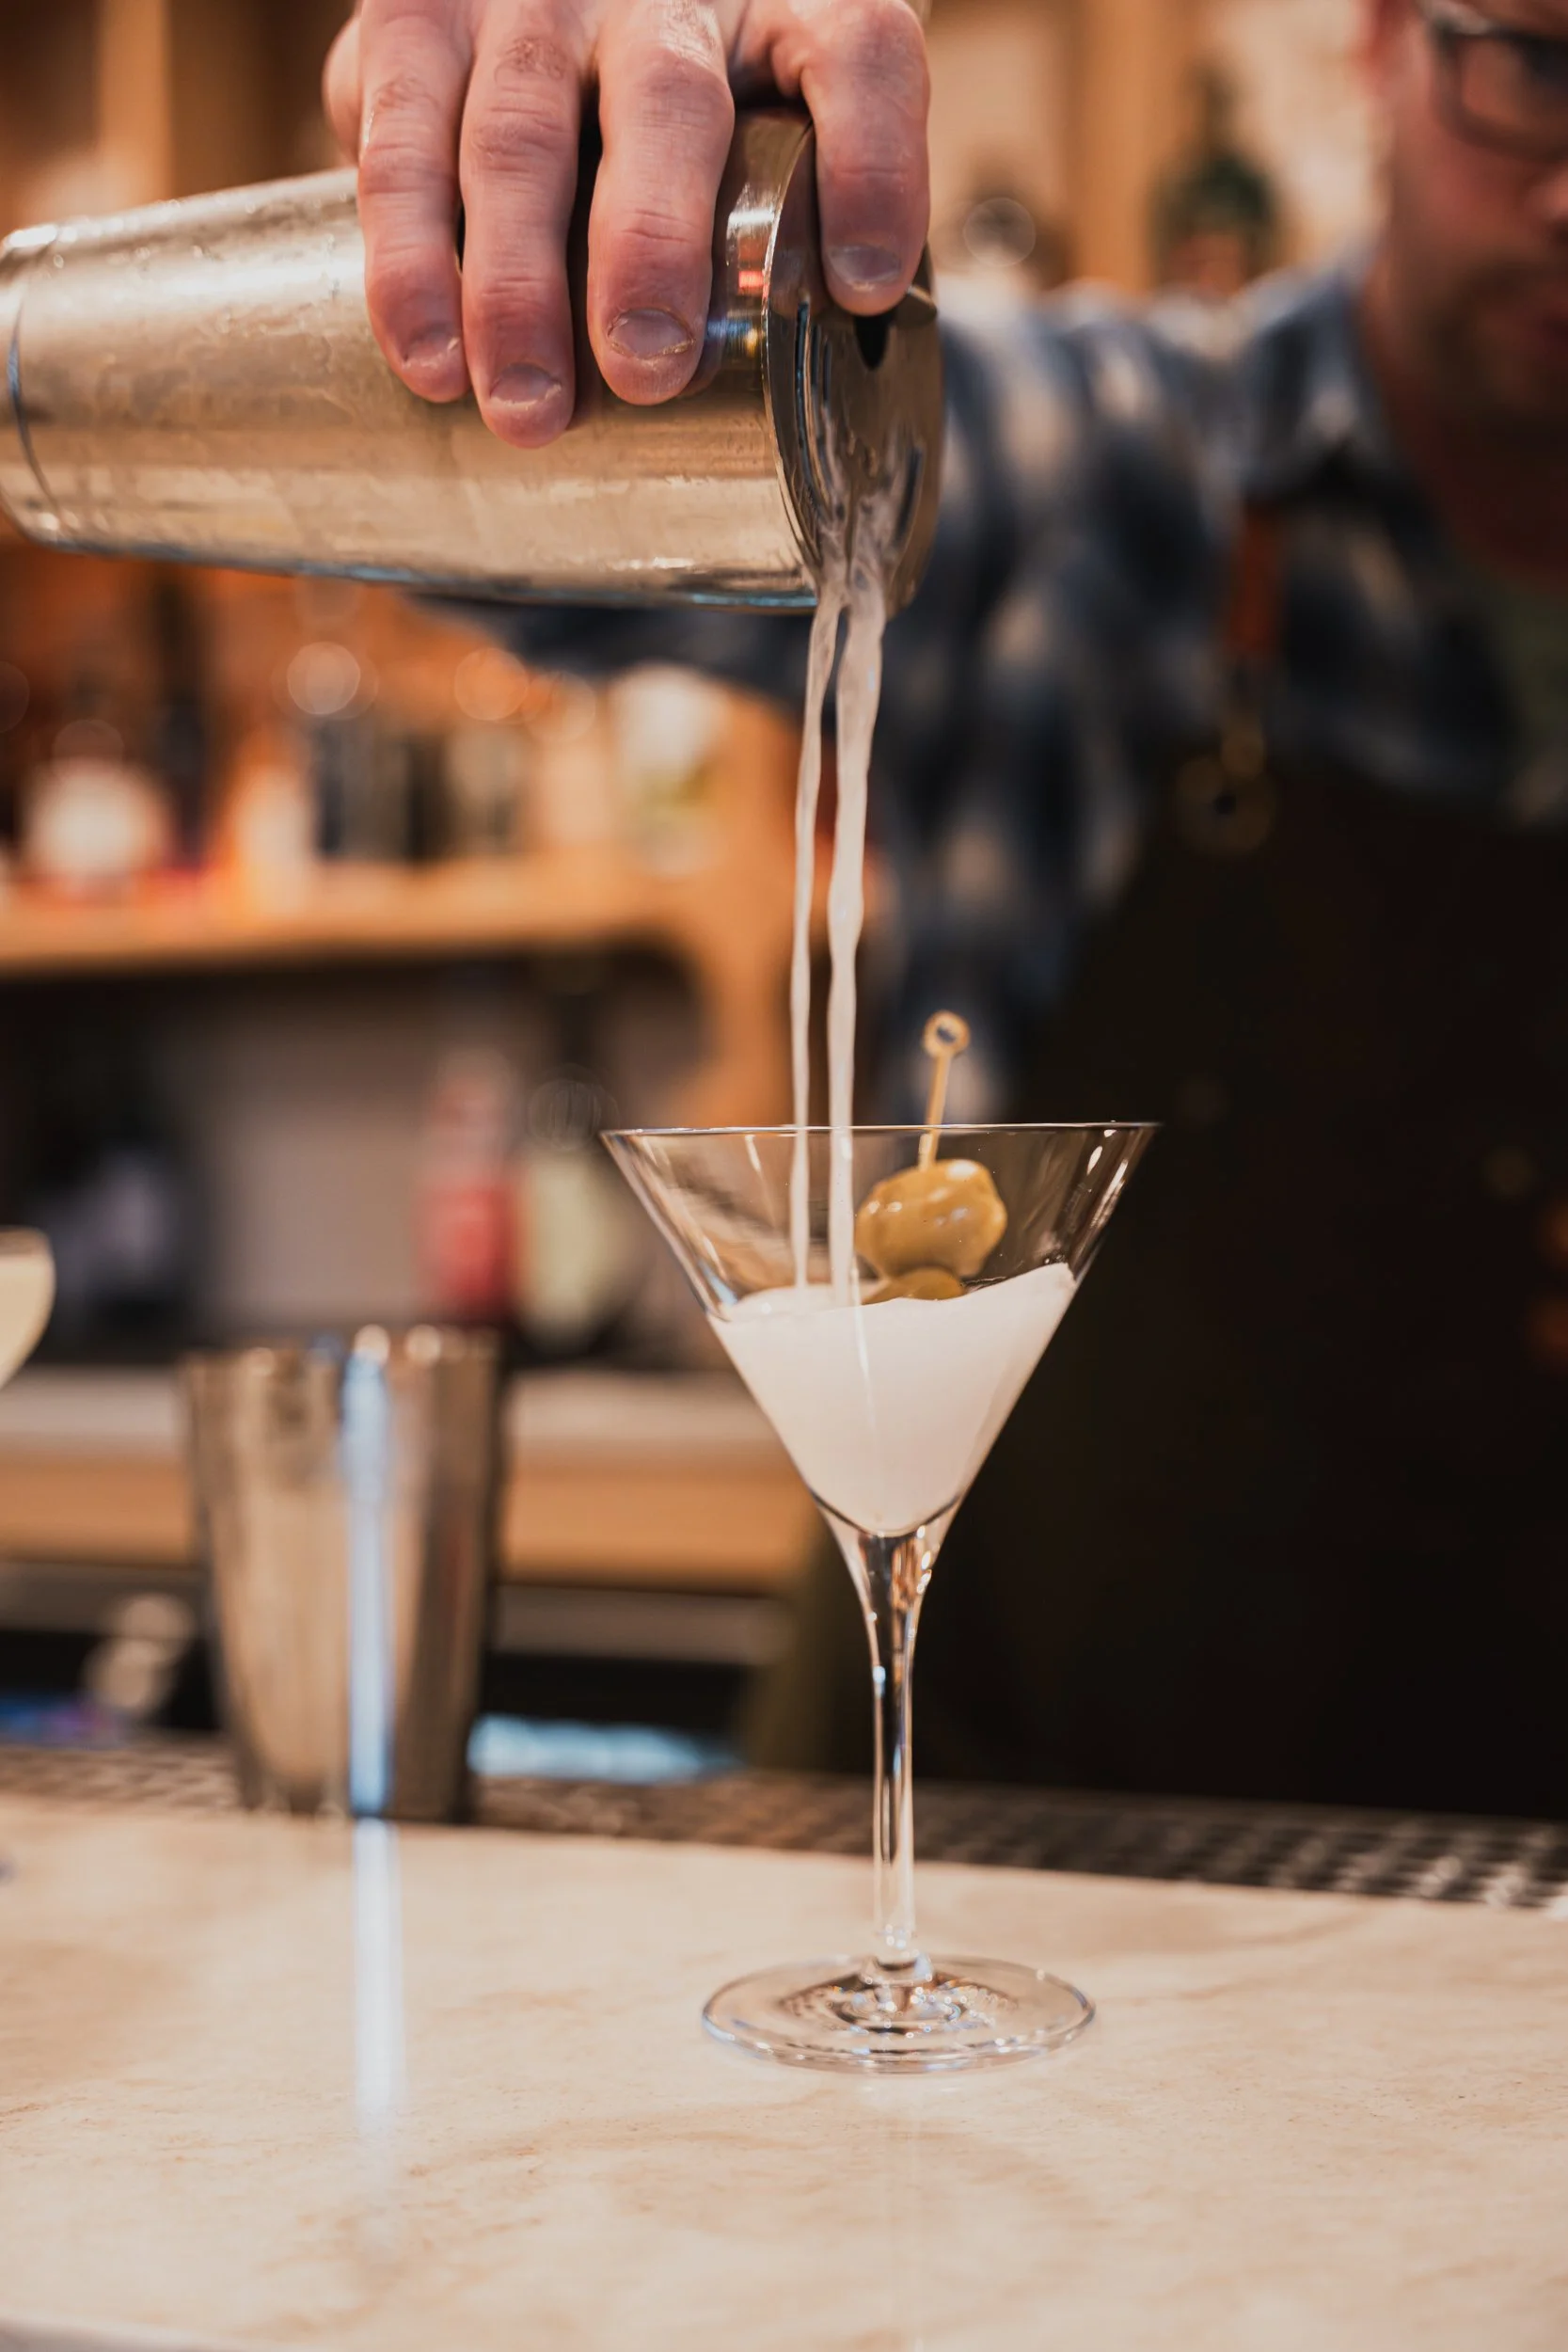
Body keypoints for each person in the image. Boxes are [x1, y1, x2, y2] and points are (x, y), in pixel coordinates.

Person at [329, 0, 1568, 1819]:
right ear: (1380, 45)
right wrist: (542, 236)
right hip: (1015, 1812)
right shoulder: (1128, 472)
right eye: (1536, 63)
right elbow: (527, 535)